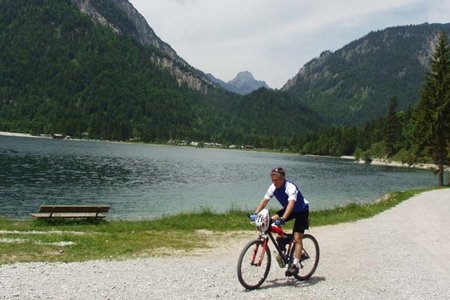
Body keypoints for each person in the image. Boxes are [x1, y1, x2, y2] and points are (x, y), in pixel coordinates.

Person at [254, 167, 309, 275]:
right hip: (290, 209)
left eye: (275, 180)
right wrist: (255, 214)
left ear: (282, 179)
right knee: (271, 221)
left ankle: (295, 264)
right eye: (272, 180)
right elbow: (265, 201)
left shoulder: (290, 187)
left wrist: (283, 218)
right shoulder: (273, 187)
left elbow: (291, 204)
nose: (273, 182)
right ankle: (284, 238)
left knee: (297, 237)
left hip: (301, 210)